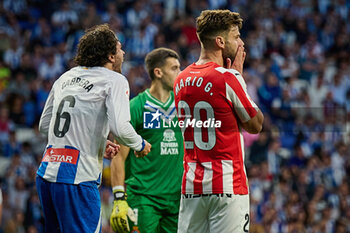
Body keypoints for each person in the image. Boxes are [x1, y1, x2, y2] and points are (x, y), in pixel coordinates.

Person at [36, 24, 151, 233]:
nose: (123, 53)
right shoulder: (114, 80)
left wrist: (96, 141)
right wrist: (140, 144)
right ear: (110, 56)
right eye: (119, 48)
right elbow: (121, 128)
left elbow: (45, 126)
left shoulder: (65, 77)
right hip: (77, 177)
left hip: (47, 172)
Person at [173, 10, 264, 233]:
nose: (241, 42)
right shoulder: (227, 78)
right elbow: (255, 124)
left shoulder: (180, 79)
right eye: (236, 36)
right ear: (220, 41)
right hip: (227, 187)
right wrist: (239, 78)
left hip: (192, 188)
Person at [110, 48, 183, 233]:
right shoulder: (135, 107)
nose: (180, 73)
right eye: (174, 68)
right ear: (158, 72)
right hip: (144, 198)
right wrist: (119, 196)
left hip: (177, 199)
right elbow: (119, 156)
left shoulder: (184, 106)